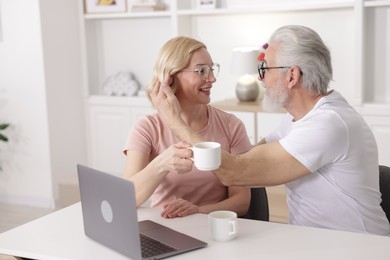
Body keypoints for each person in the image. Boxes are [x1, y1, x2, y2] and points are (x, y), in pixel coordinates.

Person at [150, 25, 390, 235]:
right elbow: (244, 157)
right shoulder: (296, 120)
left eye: (265, 68)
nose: (260, 78)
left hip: (357, 246)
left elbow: (237, 171)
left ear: (292, 76)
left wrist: (176, 124)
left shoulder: (329, 124)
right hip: (311, 240)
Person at [123, 36, 252, 219]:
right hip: (165, 227)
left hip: (213, 226)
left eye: (212, 69)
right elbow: (126, 197)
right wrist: (161, 164)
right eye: (201, 71)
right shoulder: (147, 128)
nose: (212, 78)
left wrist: (199, 211)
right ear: (171, 76)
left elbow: (241, 202)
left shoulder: (231, 126)